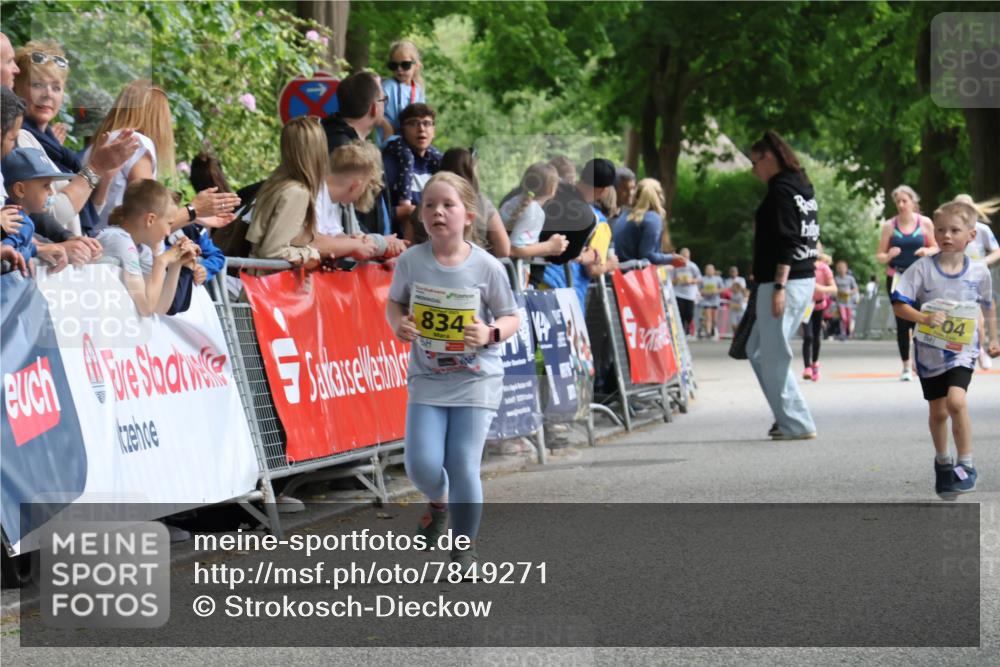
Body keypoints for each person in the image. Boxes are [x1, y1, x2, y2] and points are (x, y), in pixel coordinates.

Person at [386, 171, 520, 576]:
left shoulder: (488, 266)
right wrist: (398, 324)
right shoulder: (411, 261)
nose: (438, 212)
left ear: (468, 216)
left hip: (476, 377)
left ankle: (465, 550)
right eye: (430, 205)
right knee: (422, 466)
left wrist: (490, 332)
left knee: (462, 463)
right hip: (428, 376)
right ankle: (438, 503)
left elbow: (512, 316)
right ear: (421, 215)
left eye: (448, 205)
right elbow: (395, 304)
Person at [890, 200, 999, 496]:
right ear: (933, 233)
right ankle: (943, 463)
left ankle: (966, 464)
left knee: (956, 401)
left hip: (962, 351)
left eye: (954, 230)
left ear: (971, 236)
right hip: (929, 351)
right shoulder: (921, 269)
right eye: (941, 230)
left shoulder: (978, 272)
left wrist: (993, 337)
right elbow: (899, 304)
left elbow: (988, 304)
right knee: (938, 411)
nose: (947, 235)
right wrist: (923, 317)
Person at [12, 39, 140, 238]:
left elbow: (82, 216)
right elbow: (51, 215)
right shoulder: (18, 137)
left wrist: (106, 174)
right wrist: (95, 167)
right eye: (37, 85)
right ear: (16, 88)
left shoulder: (54, 147)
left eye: (56, 87)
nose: (47, 95)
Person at [89, 79, 240, 231]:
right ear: (158, 118)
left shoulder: (97, 146)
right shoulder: (136, 143)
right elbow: (148, 224)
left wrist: (196, 216)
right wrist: (194, 209)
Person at [747, 130, 819, 440]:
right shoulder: (800, 188)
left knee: (772, 354)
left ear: (768, 158)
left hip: (784, 283)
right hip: (799, 278)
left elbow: (788, 240)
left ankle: (797, 422)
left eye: (755, 163)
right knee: (757, 349)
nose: (753, 171)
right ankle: (784, 415)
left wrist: (779, 286)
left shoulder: (780, 193)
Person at [96, 179, 199, 316]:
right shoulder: (120, 241)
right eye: (169, 224)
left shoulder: (142, 249)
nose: (168, 233)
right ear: (150, 219)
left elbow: (159, 309)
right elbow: (146, 308)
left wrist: (176, 264)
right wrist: (161, 262)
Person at [245, 116, 327, 268]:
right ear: (317, 151)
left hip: (257, 282)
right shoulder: (297, 192)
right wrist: (310, 254)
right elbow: (272, 252)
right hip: (271, 285)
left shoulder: (276, 182)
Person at [875, 184, 937, 381]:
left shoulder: (925, 223)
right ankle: (906, 367)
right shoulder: (889, 226)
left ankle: (921, 362)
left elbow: (937, 246)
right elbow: (880, 256)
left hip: (920, 278)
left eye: (905, 201)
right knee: (902, 322)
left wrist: (927, 251)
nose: (901, 205)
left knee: (920, 318)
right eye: (898, 202)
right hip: (897, 277)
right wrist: (889, 255)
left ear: (913, 202)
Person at [321, 70, 394, 236]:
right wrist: (374, 243)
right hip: (353, 252)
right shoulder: (341, 149)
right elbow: (342, 209)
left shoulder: (331, 137)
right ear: (375, 108)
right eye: (384, 100)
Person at [315, 139, 407, 261]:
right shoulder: (316, 195)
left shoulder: (333, 200)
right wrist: (360, 244)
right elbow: (313, 241)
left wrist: (365, 242)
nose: (362, 193)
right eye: (365, 187)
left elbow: (336, 236)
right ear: (355, 185)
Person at [1, 147, 83, 271]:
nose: (51, 192)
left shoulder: (14, 217)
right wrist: (35, 250)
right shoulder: (20, 222)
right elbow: (7, 252)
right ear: (20, 190)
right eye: (46, 186)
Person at [439, 147, 510, 257]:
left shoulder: (427, 204)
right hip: (474, 268)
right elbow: (503, 250)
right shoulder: (482, 204)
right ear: (471, 170)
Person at [382, 103, 442, 232]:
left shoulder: (439, 163)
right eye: (414, 123)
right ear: (402, 130)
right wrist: (402, 212)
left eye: (427, 123)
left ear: (434, 130)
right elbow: (372, 215)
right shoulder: (390, 164)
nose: (421, 129)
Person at [500, 162, 566, 262]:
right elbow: (514, 249)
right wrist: (550, 246)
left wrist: (551, 249)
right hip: (513, 270)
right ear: (552, 189)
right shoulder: (535, 213)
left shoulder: (512, 202)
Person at [613, 178, 682, 266]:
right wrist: (671, 258)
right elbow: (647, 256)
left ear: (636, 195)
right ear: (659, 197)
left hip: (618, 273)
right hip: (635, 275)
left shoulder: (624, 215)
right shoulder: (653, 218)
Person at [377, 40, 426, 145]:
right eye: (394, 65)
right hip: (389, 142)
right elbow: (374, 108)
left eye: (405, 65)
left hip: (411, 142)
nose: (399, 69)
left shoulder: (418, 90)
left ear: (416, 66)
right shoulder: (387, 87)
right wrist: (386, 125)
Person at [801, 243, 836, 381]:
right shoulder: (802, 265)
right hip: (805, 306)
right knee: (808, 336)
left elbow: (834, 289)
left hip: (819, 306)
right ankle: (807, 367)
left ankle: (815, 363)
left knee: (816, 336)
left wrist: (818, 288)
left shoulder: (824, 268)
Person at [671, 248, 702, 336]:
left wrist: (691, 280)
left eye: (686, 257)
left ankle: (688, 328)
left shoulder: (693, 266)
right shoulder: (675, 266)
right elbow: (670, 280)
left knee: (689, 313)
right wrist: (676, 280)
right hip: (678, 292)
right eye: (683, 256)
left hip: (690, 294)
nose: (684, 258)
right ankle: (681, 332)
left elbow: (700, 279)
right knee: (680, 312)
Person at [834, 260, 859, 340]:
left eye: (843, 268)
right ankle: (843, 333)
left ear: (846, 269)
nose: (842, 270)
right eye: (840, 268)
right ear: (838, 269)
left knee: (848, 318)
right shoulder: (836, 279)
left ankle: (848, 332)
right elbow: (833, 289)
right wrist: (837, 292)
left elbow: (855, 288)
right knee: (843, 318)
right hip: (840, 301)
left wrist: (849, 292)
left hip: (848, 301)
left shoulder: (850, 278)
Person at [699, 264, 724, 340]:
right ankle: (708, 332)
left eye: (711, 269)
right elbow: (699, 290)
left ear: (713, 270)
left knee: (714, 318)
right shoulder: (702, 279)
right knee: (708, 317)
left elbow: (722, 289)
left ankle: (713, 329)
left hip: (715, 300)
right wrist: (705, 292)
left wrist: (716, 291)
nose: (709, 271)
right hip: (706, 300)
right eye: (708, 269)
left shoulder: (718, 279)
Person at [724, 265, 748, 331]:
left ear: (737, 272)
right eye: (731, 272)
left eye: (734, 271)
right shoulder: (727, 281)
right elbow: (726, 291)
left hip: (740, 306)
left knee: (741, 323)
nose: (733, 273)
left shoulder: (741, 279)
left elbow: (744, 290)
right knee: (734, 324)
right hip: (732, 305)